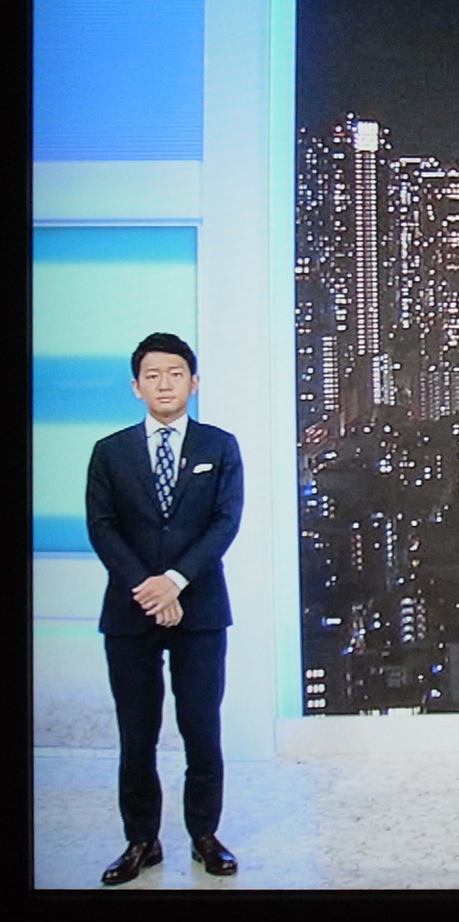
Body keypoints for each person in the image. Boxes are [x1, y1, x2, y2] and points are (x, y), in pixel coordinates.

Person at [87, 333, 244, 885]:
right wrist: (149, 589)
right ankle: (141, 840)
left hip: (200, 611)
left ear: (193, 382)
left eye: (175, 374)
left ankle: (204, 835)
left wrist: (175, 582)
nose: (164, 384)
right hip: (129, 612)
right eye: (152, 376)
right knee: (137, 733)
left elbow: (225, 523)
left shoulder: (219, 446)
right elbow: (102, 528)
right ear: (136, 387)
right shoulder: (109, 452)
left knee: (202, 728)